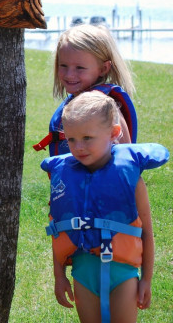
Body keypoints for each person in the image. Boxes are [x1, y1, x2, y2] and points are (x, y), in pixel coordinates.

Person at [41, 92, 168, 323]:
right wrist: (59, 277)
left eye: (87, 138)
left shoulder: (131, 178)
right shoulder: (64, 177)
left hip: (123, 276)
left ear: (114, 134)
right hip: (83, 274)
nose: (78, 147)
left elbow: (147, 232)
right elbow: (57, 229)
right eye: (71, 140)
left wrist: (147, 279)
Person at [34, 23, 137, 156]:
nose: (69, 74)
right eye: (63, 65)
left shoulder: (105, 107)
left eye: (80, 68)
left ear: (103, 69)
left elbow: (127, 161)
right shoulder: (75, 101)